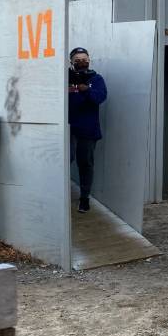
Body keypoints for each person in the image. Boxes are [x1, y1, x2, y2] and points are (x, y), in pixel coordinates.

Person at [68, 47, 107, 213]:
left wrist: (87, 89)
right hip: (67, 129)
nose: (81, 62)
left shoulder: (96, 79)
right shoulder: (65, 78)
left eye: (84, 59)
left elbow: (100, 98)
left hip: (88, 130)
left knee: (86, 165)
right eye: (77, 60)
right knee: (62, 162)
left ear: (89, 60)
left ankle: (84, 198)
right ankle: (58, 195)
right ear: (71, 62)